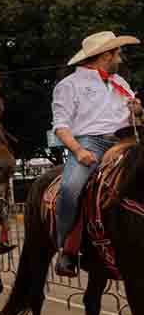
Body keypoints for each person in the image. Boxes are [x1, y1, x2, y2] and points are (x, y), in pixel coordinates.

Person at [52, 31, 142, 276]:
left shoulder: (120, 84)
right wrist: (79, 151)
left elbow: (134, 118)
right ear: (105, 56)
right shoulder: (69, 85)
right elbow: (61, 126)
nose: (120, 60)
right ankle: (66, 248)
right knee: (71, 188)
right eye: (117, 54)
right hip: (89, 143)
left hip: (126, 142)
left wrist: (137, 111)